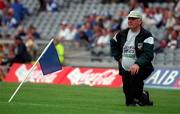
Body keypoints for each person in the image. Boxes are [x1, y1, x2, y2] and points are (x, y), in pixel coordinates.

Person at [110, 10, 154, 106]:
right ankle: (142, 97)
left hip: (141, 68)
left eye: (133, 19)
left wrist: (137, 63)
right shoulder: (122, 34)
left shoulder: (146, 35)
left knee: (135, 86)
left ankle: (141, 97)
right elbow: (112, 42)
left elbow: (148, 54)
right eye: (129, 18)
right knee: (127, 95)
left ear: (140, 21)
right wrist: (118, 57)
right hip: (125, 68)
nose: (130, 21)